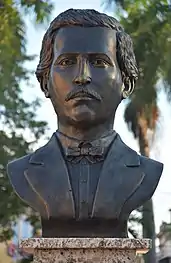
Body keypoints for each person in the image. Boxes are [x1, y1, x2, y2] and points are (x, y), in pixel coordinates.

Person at [7, 9, 163, 238]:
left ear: (126, 83)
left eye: (99, 62)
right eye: (67, 61)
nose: (82, 76)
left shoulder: (147, 172)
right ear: (44, 83)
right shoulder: (21, 171)